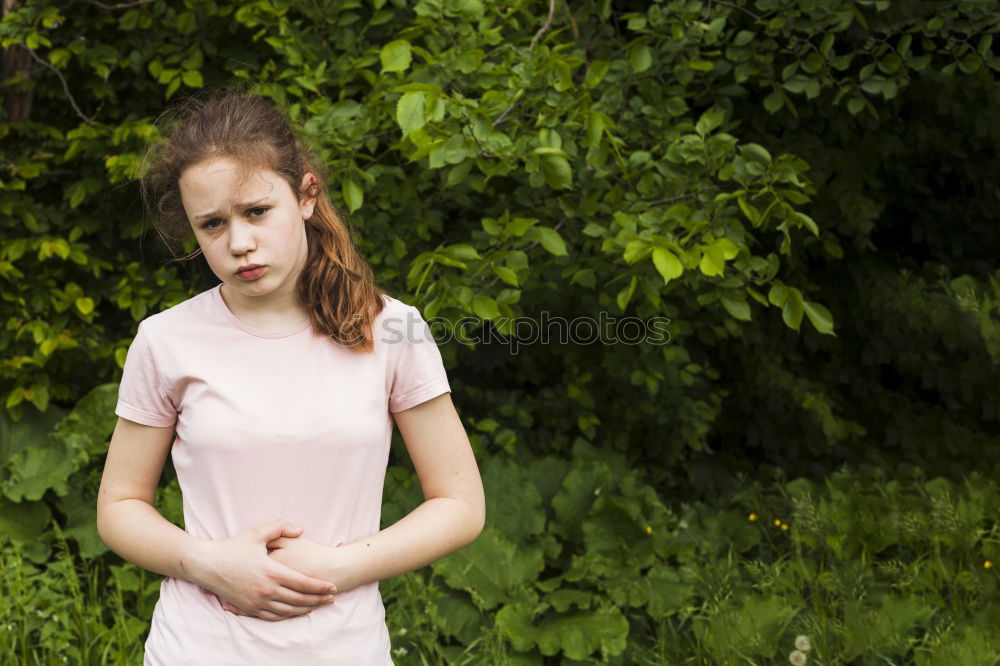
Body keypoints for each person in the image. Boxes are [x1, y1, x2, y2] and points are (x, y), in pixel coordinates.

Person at [95, 85, 486, 665]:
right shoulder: (165, 340)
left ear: (306, 195)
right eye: (212, 225)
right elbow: (120, 505)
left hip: (344, 651)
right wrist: (210, 564)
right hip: (197, 649)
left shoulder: (391, 329)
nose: (240, 243)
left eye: (257, 211)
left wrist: (341, 565)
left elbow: (459, 504)